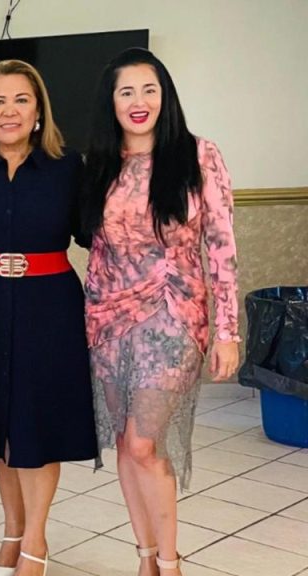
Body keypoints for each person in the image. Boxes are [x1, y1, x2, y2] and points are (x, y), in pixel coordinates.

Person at [80, 48, 240, 576]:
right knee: (124, 443)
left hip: (174, 312)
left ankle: (170, 564)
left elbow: (221, 247)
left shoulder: (198, 155)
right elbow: (97, 250)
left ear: (165, 96)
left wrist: (227, 332)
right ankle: (145, 559)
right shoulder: (100, 162)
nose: (139, 101)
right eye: (126, 91)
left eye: (150, 89)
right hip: (108, 318)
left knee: (145, 442)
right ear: (111, 102)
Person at [0, 60, 98, 576]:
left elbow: (97, 235)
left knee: (35, 424)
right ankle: (12, 534)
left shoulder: (68, 167)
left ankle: (36, 543)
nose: (9, 111)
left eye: (21, 99)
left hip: (48, 309)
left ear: (39, 110)